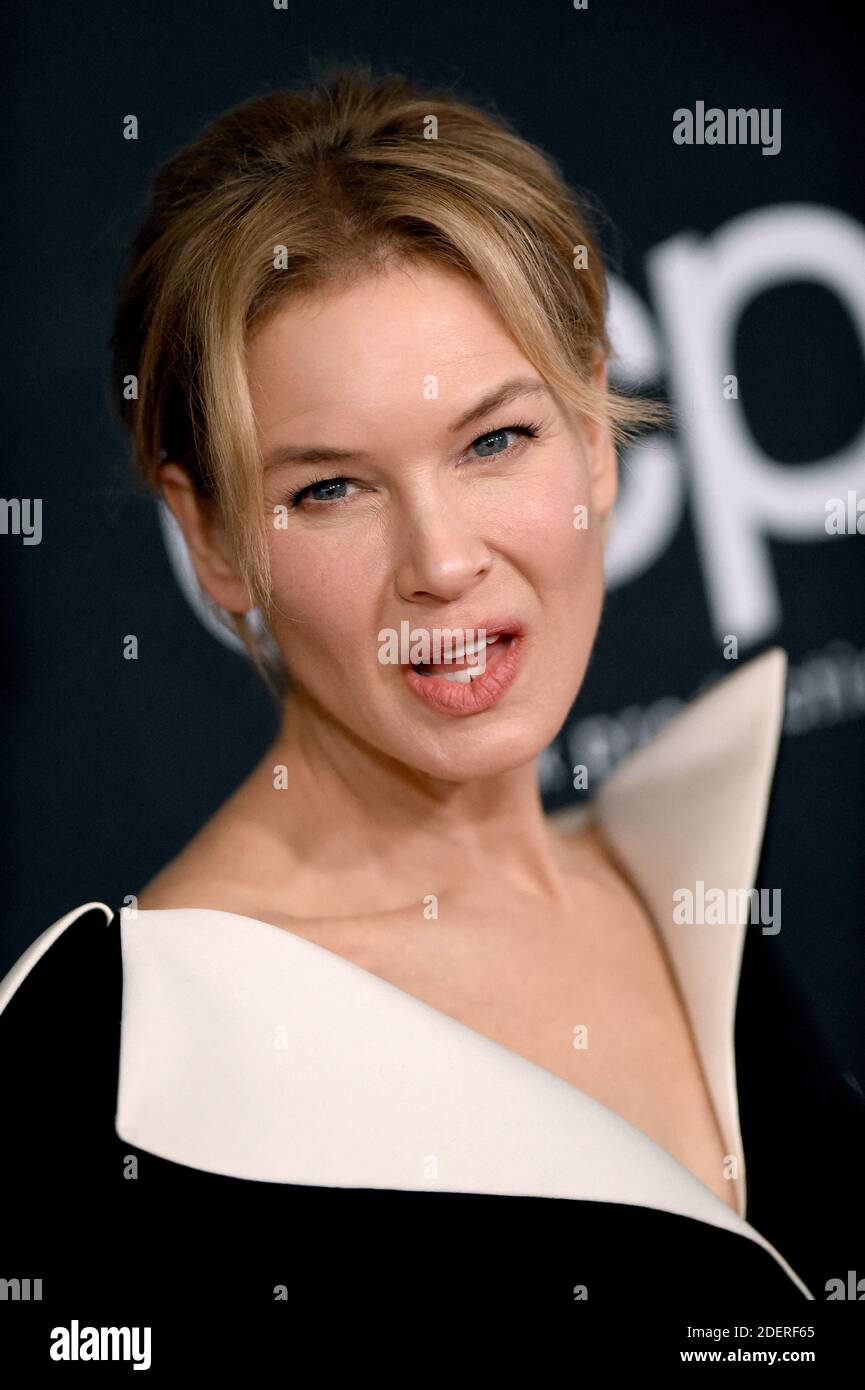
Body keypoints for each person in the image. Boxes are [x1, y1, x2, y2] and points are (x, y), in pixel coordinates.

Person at [2, 65, 861, 1328]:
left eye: (495, 439)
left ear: (593, 430)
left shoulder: (691, 871)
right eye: (330, 488)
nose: (444, 561)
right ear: (215, 539)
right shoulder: (109, 1068)